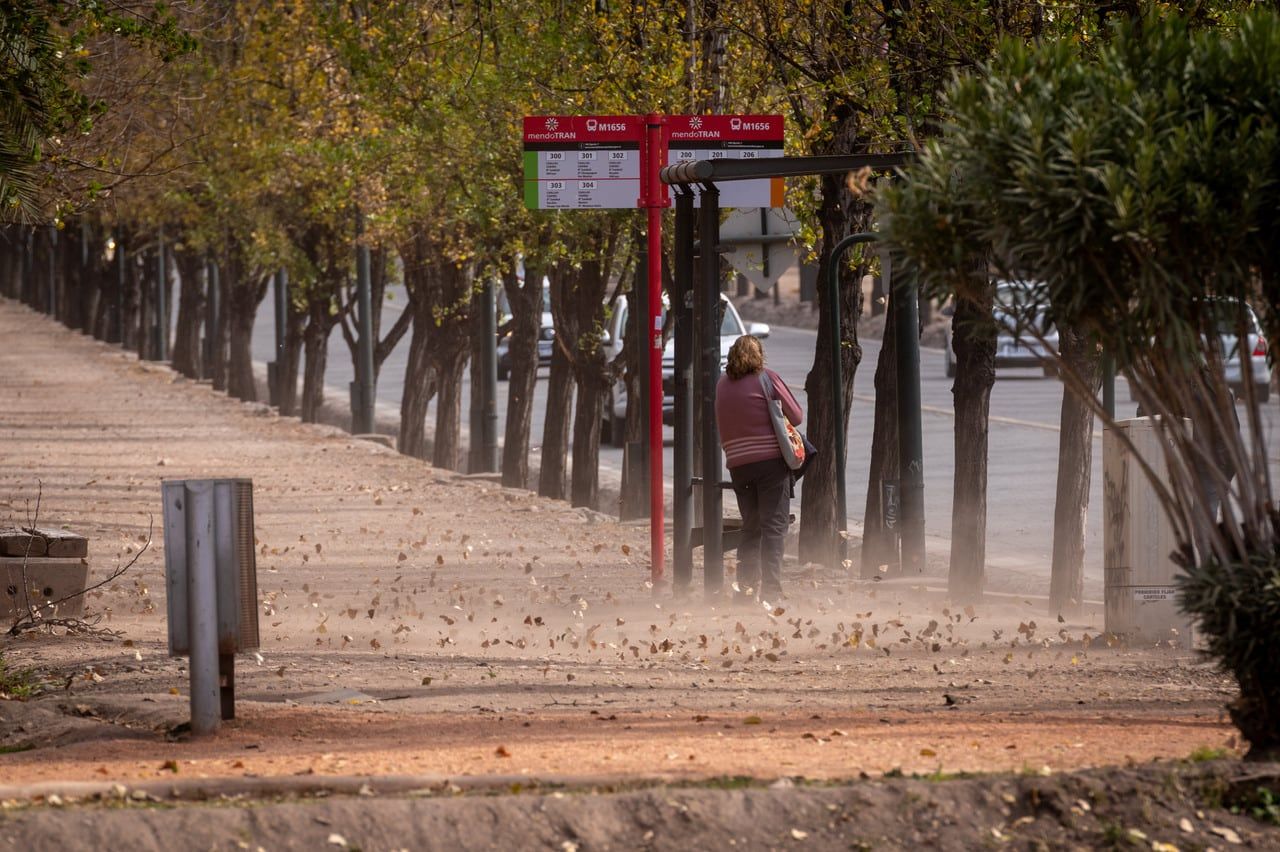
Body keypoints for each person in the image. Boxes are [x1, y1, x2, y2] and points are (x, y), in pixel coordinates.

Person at [715, 335, 803, 602]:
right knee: (774, 528)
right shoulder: (767, 378)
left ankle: (745, 592)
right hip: (770, 465)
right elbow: (797, 416)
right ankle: (772, 593)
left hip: (739, 465)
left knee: (751, 527)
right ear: (759, 356)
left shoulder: (721, 384)